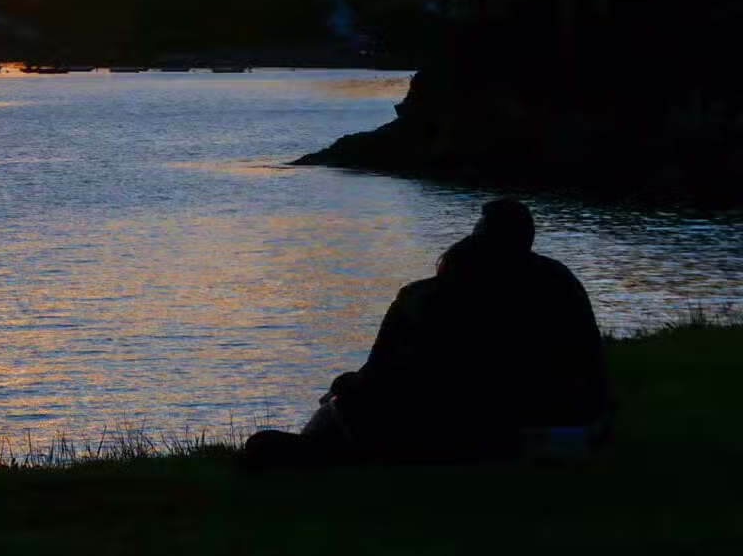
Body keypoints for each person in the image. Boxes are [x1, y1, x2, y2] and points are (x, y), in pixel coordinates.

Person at [244, 198, 609, 468]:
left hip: (473, 436)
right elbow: (590, 361)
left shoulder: (426, 298)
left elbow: (381, 377)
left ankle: (303, 451)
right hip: (579, 431)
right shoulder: (560, 281)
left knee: (344, 397)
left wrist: (343, 388)